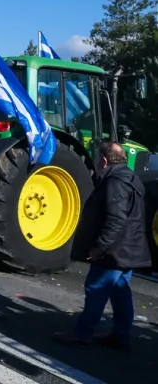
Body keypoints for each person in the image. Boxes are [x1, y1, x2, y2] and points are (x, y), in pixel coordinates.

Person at [54, 141, 152, 350]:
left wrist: (98, 248)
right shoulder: (132, 178)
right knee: (120, 292)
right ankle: (121, 335)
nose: (96, 162)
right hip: (130, 249)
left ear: (104, 161)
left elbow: (115, 220)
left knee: (96, 289)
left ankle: (82, 334)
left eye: (98, 158)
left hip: (114, 251)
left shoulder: (114, 182)